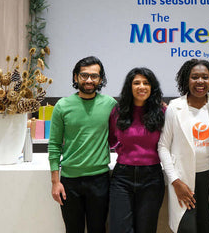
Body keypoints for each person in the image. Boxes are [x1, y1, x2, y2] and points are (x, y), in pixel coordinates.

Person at [48, 56, 117, 233]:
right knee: (73, 229)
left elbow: (123, 132)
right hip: (70, 181)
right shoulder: (62, 106)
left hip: (100, 180)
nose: (89, 80)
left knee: (98, 229)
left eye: (94, 76)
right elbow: (54, 145)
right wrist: (55, 181)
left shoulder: (110, 104)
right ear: (75, 77)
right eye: (84, 75)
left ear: (100, 79)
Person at [158, 59, 209, 233]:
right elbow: (163, 146)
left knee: (206, 227)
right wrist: (175, 181)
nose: (200, 82)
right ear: (186, 80)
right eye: (194, 77)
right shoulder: (175, 108)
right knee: (186, 227)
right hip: (183, 179)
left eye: (205, 77)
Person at [108, 67, 166, 233]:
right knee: (119, 229)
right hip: (122, 177)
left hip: (152, 177)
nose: (141, 86)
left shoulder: (162, 112)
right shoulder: (118, 111)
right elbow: (111, 140)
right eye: (137, 83)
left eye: (146, 83)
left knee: (146, 229)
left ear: (152, 87)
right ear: (130, 87)